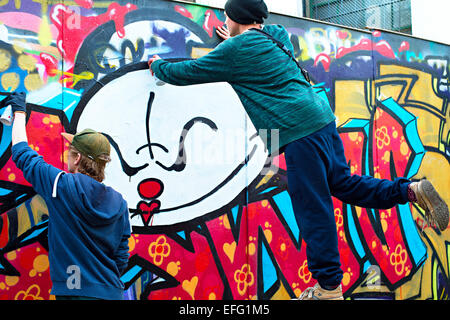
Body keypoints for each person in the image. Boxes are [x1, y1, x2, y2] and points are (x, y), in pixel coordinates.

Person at [148, 0, 449, 300]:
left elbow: (189, 71)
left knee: (312, 208)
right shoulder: (275, 36)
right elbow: (266, 41)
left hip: (299, 132)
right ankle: (410, 190)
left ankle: (329, 287)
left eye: (227, 14)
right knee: (344, 185)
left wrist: (156, 66)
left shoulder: (235, 50)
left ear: (234, 17)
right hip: (322, 120)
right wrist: (236, 39)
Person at [4, 92, 131, 300]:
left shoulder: (61, 185)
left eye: (70, 152)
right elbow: (121, 256)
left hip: (74, 292)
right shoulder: (120, 202)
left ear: (78, 157)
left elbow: (21, 152)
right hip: (112, 292)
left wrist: (19, 112)